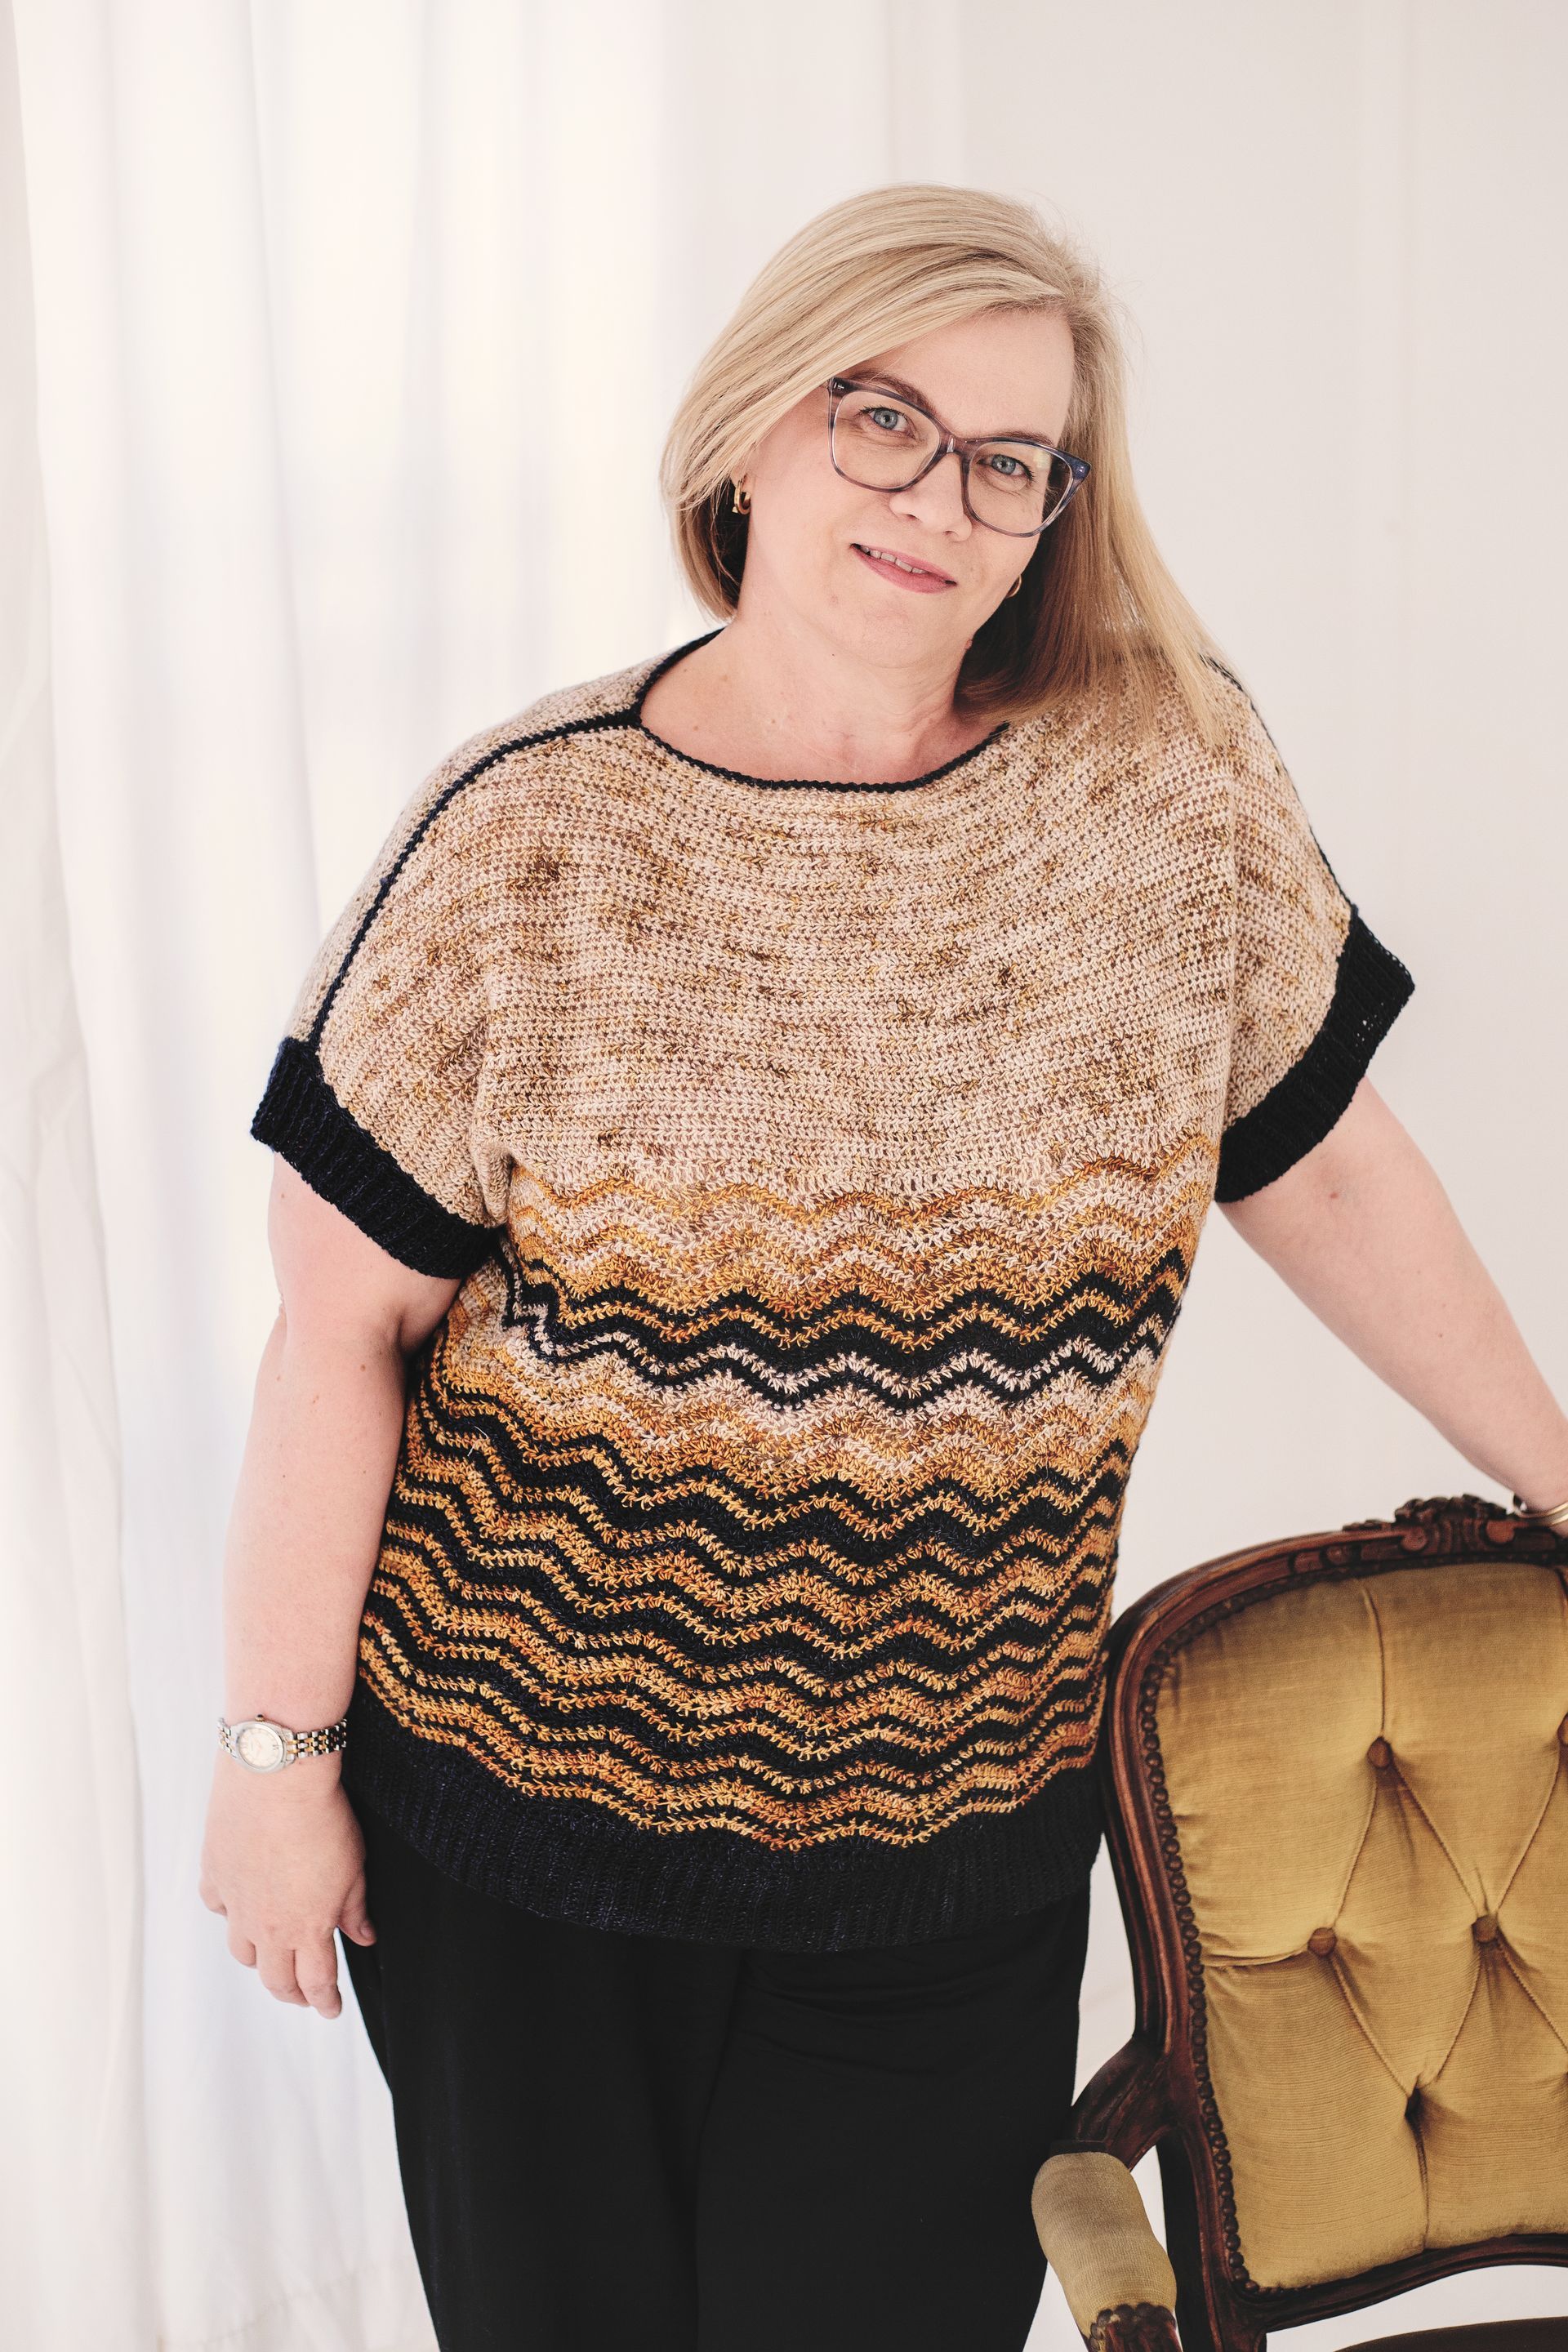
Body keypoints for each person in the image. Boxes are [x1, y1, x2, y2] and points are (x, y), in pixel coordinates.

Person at [198, 182, 1568, 2352]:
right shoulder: (526, 836)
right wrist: (275, 1766)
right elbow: (338, 1332)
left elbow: (1329, 1173)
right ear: (755, 430)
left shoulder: (1165, 793)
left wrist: (1560, 1470)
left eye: (1011, 459)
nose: (941, 497)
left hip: (951, 1862)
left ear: (1058, 511)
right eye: (884, 419)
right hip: (519, 1860)